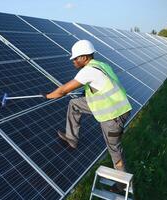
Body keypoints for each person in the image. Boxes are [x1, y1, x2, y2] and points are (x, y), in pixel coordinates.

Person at [42, 40, 132, 190]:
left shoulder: (88, 71)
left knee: (114, 150)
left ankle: (123, 186)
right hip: (109, 105)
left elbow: (64, 90)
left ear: (84, 57)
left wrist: (48, 96)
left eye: (75, 58)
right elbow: (102, 85)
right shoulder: (102, 65)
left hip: (113, 114)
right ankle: (72, 138)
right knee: (75, 104)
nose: (73, 61)